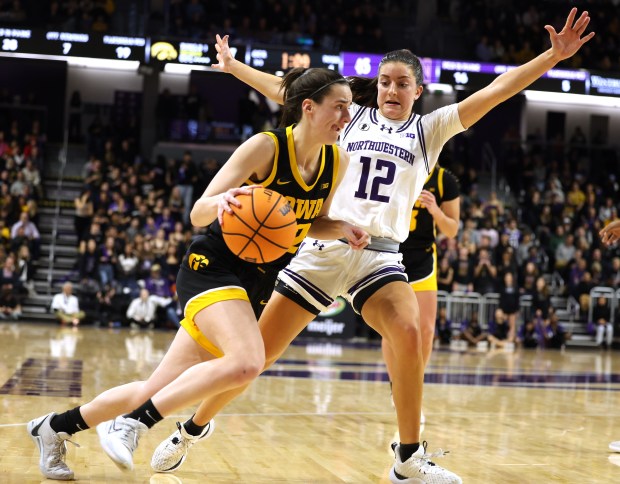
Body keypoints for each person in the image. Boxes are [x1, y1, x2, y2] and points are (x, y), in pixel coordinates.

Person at [150, 11, 593, 482]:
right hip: (322, 247)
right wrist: (236, 67)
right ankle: (192, 429)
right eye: (384, 82)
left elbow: (496, 90)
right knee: (261, 354)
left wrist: (552, 57)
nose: (391, 91)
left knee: (408, 333)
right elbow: (292, 93)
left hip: (380, 257)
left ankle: (407, 456)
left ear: (418, 91)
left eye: (402, 83)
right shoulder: (349, 117)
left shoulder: (430, 130)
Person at [27, 67, 367, 481]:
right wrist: (227, 198)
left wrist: (342, 229)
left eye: (349, 108)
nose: (346, 116)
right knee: (247, 363)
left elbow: (308, 220)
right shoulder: (264, 148)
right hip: (214, 266)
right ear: (309, 107)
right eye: (339, 107)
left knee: (154, 388)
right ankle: (133, 423)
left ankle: (53, 428)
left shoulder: (339, 160)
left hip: (258, 281)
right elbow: (197, 212)